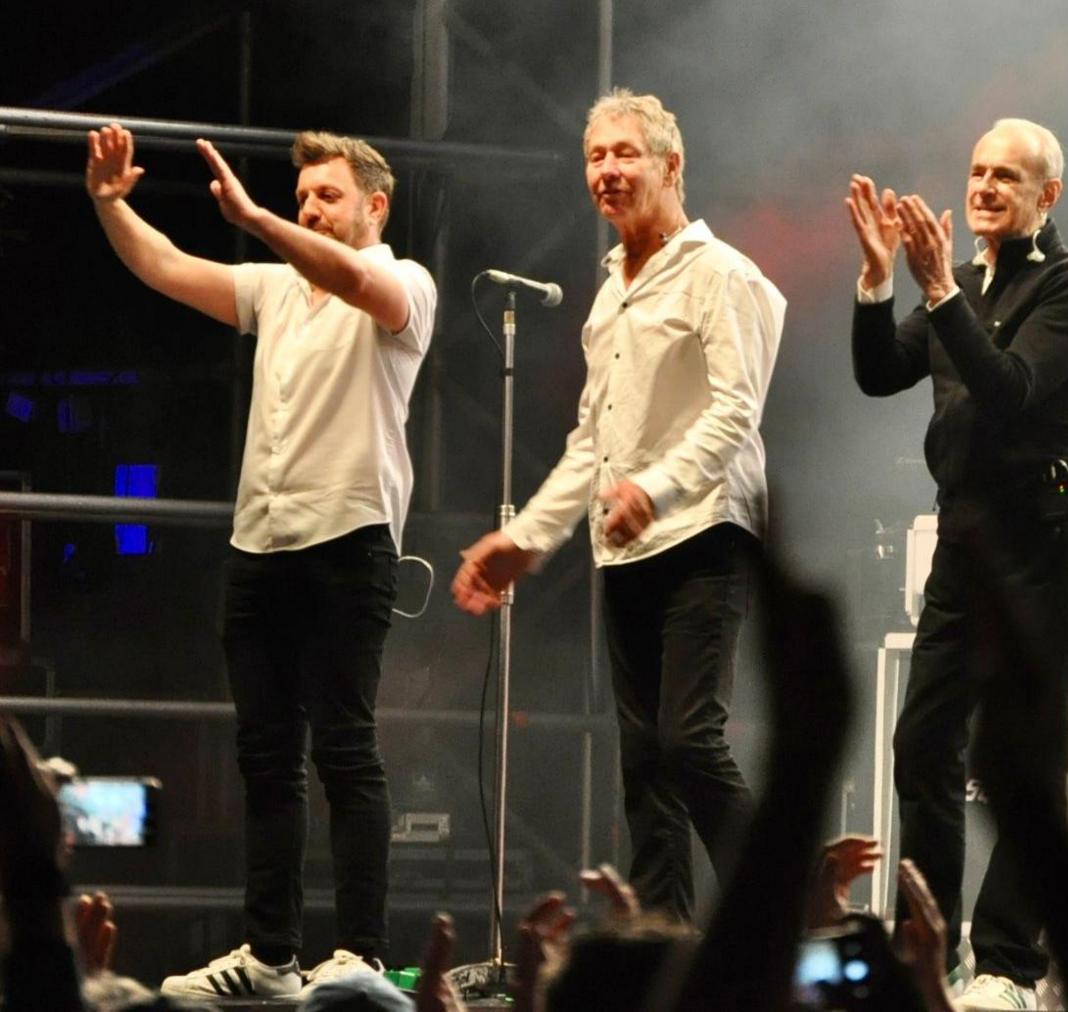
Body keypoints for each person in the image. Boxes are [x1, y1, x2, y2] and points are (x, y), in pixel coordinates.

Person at [85, 124, 436, 999]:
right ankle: (271, 957)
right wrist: (109, 204)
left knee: (346, 752)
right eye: (303, 196)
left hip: (348, 540)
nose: (310, 208)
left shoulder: (404, 283)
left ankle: (357, 953)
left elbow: (353, 278)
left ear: (374, 206)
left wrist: (252, 217)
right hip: (260, 542)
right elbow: (165, 266)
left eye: (329, 196)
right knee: (265, 756)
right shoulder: (277, 289)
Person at [451, 89, 785, 924]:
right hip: (626, 547)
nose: (607, 170)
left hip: (707, 531)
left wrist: (655, 487)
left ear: (672, 167)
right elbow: (592, 438)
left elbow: (735, 409)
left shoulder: (720, 274)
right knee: (643, 764)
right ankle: (663, 947)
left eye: (624, 153)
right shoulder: (610, 292)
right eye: (595, 157)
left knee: (688, 742)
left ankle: (790, 913)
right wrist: (528, 538)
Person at [847, 116, 1068, 1011]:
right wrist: (882, 281)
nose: (986, 187)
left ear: (1049, 194)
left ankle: (1009, 968)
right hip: (962, 538)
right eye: (976, 171)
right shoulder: (959, 283)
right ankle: (929, 945)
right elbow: (882, 371)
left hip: (1039, 533)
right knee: (921, 739)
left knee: (1024, 762)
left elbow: (1010, 393)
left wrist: (937, 290)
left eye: (1008, 175)